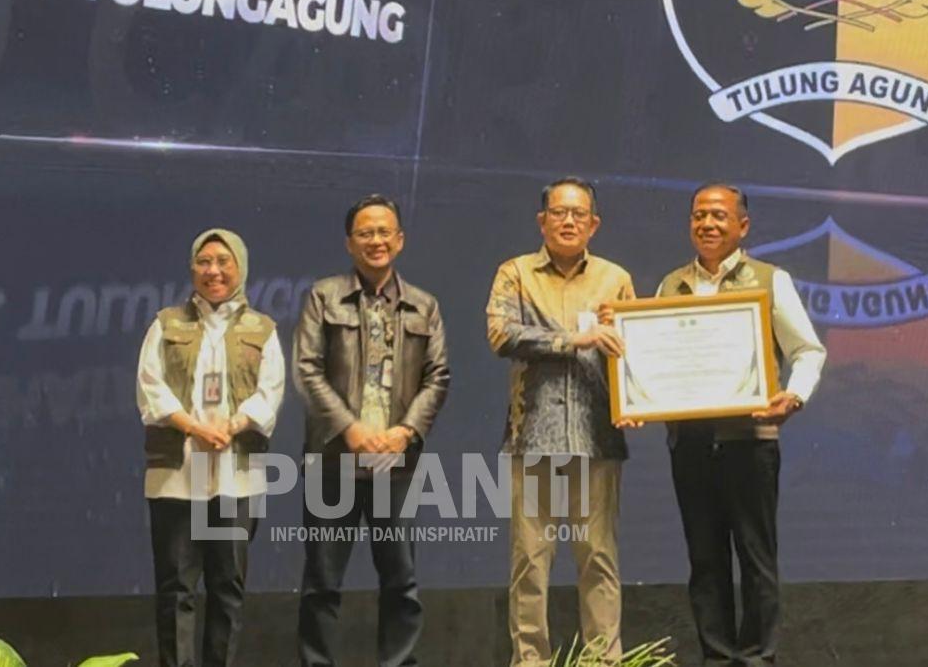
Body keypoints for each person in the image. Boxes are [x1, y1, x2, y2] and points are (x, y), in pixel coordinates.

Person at [655, 185, 827, 667]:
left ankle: (756, 659)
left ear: (743, 226)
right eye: (699, 216)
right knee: (705, 560)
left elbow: (807, 350)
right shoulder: (670, 285)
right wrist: (640, 398)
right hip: (690, 443)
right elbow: (656, 357)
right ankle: (715, 657)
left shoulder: (770, 280)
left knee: (756, 559)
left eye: (718, 215)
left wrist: (794, 396)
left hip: (750, 442)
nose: (707, 224)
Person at [293, 194, 451, 667]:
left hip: (396, 463)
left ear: (399, 240)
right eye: (366, 233)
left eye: (384, 232)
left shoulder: (424, 305)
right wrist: (350, 428)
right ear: (350, 243)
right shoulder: (324, 296)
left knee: (400, 582)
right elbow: (306, 370)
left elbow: (437, 377)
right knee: (321, 583)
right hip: (334, 463)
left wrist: (405, 432)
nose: (376, 240)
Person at [486, 177, 633, 666]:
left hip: (597, 438)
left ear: (595, 224)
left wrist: (634, 403)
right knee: (530, 561)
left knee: (599, 559)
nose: (569, 221)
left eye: (579, 214)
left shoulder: (615, 278)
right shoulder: (516, 273)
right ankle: (531, 661)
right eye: (559, 212)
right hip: (533, 436)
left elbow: (633, 351)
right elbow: (501, 334)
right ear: (542, 220)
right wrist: (573, 339)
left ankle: (604, 661)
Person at [136, 228, 286, 667]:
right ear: (192, 269)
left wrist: (233, 425)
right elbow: (149, 386)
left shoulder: (263, 330)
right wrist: (192, 426)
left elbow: (271, 392)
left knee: (226, 588)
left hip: (235, 478)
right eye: (204, 262)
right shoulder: (166, 324)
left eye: (223, 261)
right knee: (176, 589)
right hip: (176, 476)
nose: (213, 271)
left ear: (241, 267)